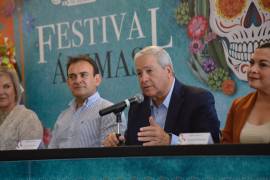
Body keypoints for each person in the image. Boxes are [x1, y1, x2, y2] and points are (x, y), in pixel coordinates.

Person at [103, 46, 220, 146]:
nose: (143, 79)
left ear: (168, 71)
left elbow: (209, 141)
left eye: (149, 71)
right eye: (139, 73)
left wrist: (170, 140)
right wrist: (120, 144)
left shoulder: (198, 99)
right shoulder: (137, 106)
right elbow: (134, 146)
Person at [48, 55, 125, 148]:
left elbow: (109, 156)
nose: (77, 80)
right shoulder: (63, 116)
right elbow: (51, 153)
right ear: (68, 82)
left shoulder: (111, 111)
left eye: (83, 75)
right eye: (72, 76)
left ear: (97, 80)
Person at [222, 42, 270, 144]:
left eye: (263, 64)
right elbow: (225, 146)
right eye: (252, 63)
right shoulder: (238, 105)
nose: (252, 69)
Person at [0, 66, 43, 150]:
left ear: (16, 90)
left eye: (6, 86)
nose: (1, 92)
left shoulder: (28, 118)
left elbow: (29, 160)